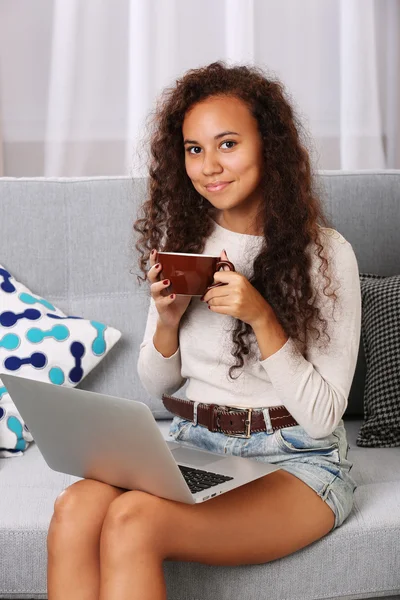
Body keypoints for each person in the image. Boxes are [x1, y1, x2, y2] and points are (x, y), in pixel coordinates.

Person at [46, 61, 361, 600]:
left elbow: (323, 416)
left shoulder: (326, 255)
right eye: (194, 149)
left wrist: (261, 316)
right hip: (195, 444)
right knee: (75, 507)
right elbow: (157, 385)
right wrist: (167, 321)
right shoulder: (185, 240)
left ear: (269, 147)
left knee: (134, 521)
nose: (209, 166)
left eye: (228, 144)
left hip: (297, 460)